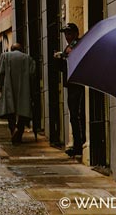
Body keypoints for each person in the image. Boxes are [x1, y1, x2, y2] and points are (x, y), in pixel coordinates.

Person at [53, 22, 86, 156]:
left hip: (77, 84)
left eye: (69, 34)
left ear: (76, 34)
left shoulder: (77, 45)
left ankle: (79, 144)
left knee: (77, 115)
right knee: (73, 116)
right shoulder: (68, 47)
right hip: (71, 84)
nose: (67, 36)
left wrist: (64, 56)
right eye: (66, 34)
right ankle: (77, 144)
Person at [0, 43, 35, 143]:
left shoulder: (5, 56)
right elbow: (32, 74)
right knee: (23, 111)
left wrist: (1, 86)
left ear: (11, 49)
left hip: (9, 87)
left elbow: (0, 73)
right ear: (21, 49)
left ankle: (13, 128)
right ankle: (19, 131)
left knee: (10, 110)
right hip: (24, 88)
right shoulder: (27, 58)